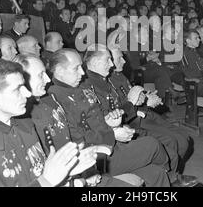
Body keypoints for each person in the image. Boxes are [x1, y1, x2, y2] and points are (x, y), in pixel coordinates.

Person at [47, 48, 176, 187]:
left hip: (110, 143)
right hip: (97, 157)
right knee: (152, 144)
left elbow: (97, 120)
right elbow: (77, 139)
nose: (82, 72)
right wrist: (112, 133)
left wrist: (111, 122)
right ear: (60, 71)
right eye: (76, 68)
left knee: (157, 174)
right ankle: (173, 177)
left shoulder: (79, 89)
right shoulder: (57, 100)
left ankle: (171, 177)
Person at [14, 54, 143, 187]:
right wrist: (80, 178)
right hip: (71, 174)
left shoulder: (48, 101)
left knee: (153, 172)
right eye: (41, 75)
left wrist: (111, 125)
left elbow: (73, 139)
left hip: (82, 166)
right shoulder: (27, 117)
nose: (47, 79)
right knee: (152, 147)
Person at [0, 59, 82, 187]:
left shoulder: (24, 124)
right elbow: (44, 180)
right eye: (18, 89)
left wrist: (67, 172)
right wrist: (47, 181)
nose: (27, 94)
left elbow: (38, 172)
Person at [109, 46, 199, 186]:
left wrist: (147, 98)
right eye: (119, 58)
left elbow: (133, 97)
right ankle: (171, 177)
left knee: (184, 139)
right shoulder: (107, 81)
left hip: (144, 113)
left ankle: (171, 175)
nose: (124, 61)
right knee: (174, 142)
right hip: (135, 120)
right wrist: (144, 104)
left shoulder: (120, 75)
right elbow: (122, 109)